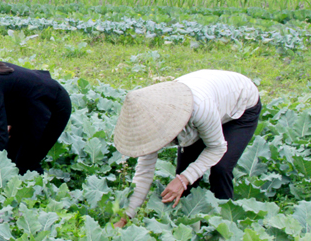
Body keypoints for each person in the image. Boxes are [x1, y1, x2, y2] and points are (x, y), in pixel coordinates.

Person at [112, 69, 261, 227]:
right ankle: (191, 231)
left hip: (240, 105)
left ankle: (226, 228)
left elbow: (217, 148)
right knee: (184, 172)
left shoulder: (200, 109)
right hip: (209, 98)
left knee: (220, 169)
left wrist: (183, 179)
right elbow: (144, 173)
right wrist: (126, 216)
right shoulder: (151, 122)